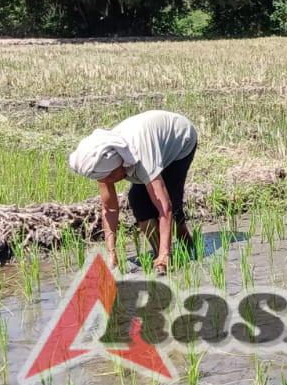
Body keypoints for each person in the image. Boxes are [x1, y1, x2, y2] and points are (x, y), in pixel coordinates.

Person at [67, 110, 198, 274]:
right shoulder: (103, 164)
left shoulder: (142, 158)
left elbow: (165, 208)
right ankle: (161, 257)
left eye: (111, 176)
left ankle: (188, 250)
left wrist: (166, 253)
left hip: (179, 140)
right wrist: (111, 252)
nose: (109, 182)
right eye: (104, 178)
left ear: (121, 164)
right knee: (138, 201)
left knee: (172, 202)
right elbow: (109, 208)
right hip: (151, 141)